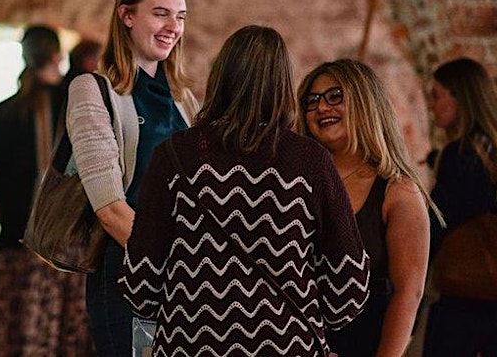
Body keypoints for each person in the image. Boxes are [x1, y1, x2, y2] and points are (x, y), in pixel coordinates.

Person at [119, 25, 370, 357]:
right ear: (283, 85)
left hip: (191, 343)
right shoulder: (309, 161)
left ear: (220, 77)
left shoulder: (175, 155)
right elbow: (348, 285)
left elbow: (140, 281)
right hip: (286, 345)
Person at [65, 0, 199, 356]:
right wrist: (180, 261)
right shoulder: (92, 89)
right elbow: (110, 208)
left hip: (184, 276)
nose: (173, 26)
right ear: (126, 15)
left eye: (180, 17)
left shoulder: (184, 99)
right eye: (160, 13)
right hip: (128, 271)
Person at [296, 59, 438, 357]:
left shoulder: (398, 191)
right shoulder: (296, 182)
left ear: (365, 102)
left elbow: (408, 293)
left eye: (335, 96)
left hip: (364, 344)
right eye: (312, 101)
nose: (321, 107)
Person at [0, 25, 93, 357]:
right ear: (57, 55)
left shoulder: (3, 113)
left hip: (20, 240)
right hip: (68, 243)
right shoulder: (73, 106)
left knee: (19, 333)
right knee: (65, 337)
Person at [422, 57, 497, 357]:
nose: (431, 106)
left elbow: (437, 223)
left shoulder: (460, 155)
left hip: (467, 307)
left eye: (436, 95)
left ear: (459, 97)